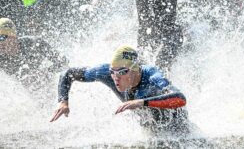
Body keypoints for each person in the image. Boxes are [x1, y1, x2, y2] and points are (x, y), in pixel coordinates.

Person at [50, 46, 189, 134]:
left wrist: (141, 102)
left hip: (176, 125)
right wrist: (63, 101)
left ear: (135, 70)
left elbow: (180, 99)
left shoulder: (152, 75)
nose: (115, 77)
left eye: (122, 72)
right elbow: (68, 73)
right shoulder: (106, 72)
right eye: (112, 71)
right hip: (149, 126)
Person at [0, 18, 68, 91]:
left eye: (2, 38)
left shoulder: (35, 43)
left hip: (47, 85)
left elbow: (64, 61)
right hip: (28, 93)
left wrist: (46, 72)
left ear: (13, 36)